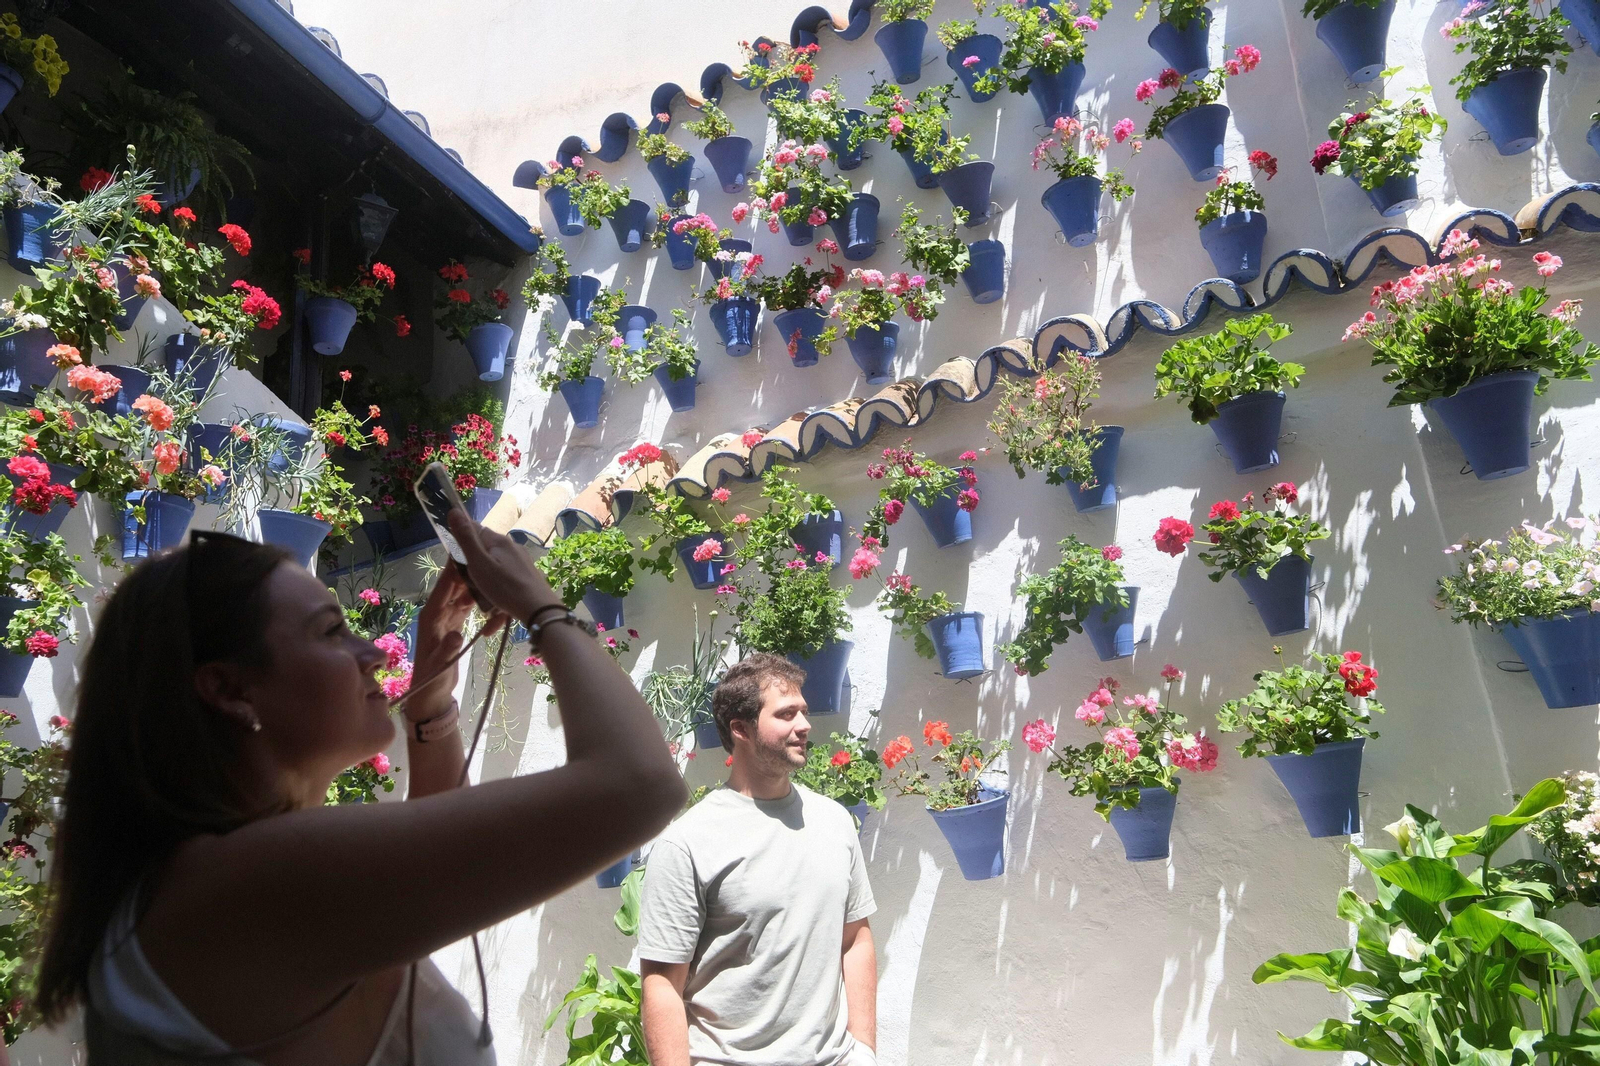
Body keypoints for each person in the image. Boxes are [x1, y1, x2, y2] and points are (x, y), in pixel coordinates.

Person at [33, 511, 685, 1064]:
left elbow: (421, 870)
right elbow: (640, 784)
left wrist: (431, 693)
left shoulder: (222, 878)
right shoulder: (245, 881)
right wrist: (541, 605)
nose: (372, 651)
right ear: (230, 689)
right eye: (330, 631)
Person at [638, 653, 878, 1066]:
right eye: (786, 714)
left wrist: (867, 1052)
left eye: (803, 711)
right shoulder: (689, 842)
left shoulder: (835, 822)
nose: (804, 725)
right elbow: (662, 984)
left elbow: (855, 939)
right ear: (740, 729)